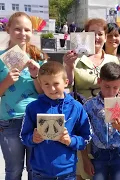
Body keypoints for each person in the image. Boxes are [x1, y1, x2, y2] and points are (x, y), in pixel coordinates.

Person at [63, 18, 120, 180]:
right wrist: (68, 66)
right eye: (92, 34)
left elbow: (119, 86)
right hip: (83, 115)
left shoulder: (113, 60)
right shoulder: (76, 59)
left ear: (105, 36)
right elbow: (68, 84)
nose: (97, 37)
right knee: (84, 166)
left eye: (100, 34)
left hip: (107, 118)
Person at [20, 61, 91, 179]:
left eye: (56, 83)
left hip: (67, 172)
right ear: (40, 84)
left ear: (66, 82)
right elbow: (24, 137)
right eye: (46, 84)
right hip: (40, 172)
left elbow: (86, 137)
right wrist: (33, 138)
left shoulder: (76, 107)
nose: (52, 88)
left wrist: (71, 141)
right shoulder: (33, 108)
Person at [0, 12, 47, 180]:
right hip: (9, 122)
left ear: (32, 32)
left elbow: (44, 93)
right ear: (8, 29)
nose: (23, 33)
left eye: (27, 30)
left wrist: (35, 76)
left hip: (35, 120)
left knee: (36, 170)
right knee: (13, 171)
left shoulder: (39, 58)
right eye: (17, 29)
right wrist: (6, 81)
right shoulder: (0, 58)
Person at [82, 62, 120, 180]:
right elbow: (83, 134)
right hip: (99, 154)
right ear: (99, 81)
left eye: (115, 87)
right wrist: (85, 160)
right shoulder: (90, 105)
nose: (111, 92)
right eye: (107, 87)